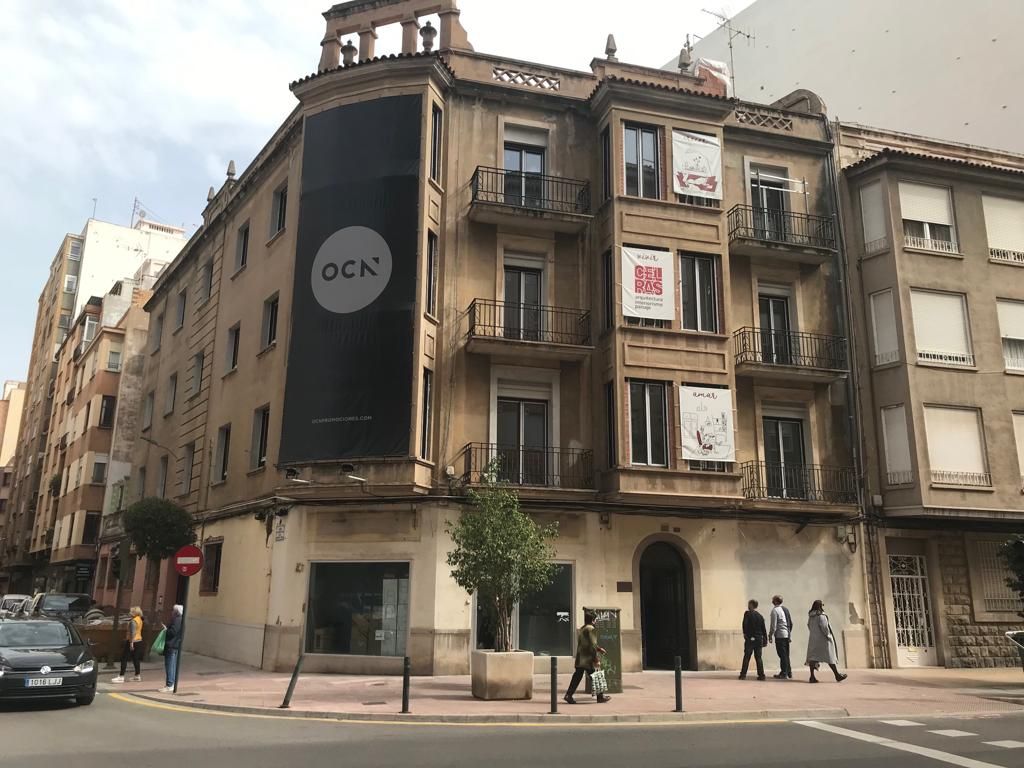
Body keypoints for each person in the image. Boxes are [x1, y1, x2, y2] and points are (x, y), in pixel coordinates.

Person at [564, 609, 611, 704]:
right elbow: (592, 645)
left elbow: (586, 643)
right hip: (588, 659)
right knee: (596, 675)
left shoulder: (583, 628)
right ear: (593, 620)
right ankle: (600, 697)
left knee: (577, 676)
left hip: (580, 658)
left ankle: (568, 695)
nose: (596, 621)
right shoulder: (591, 629)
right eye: (595, 619)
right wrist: (596, 659)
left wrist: (599, 649)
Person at [805, 599, 847, 683]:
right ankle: (837, 675)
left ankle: (812, 676)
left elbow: (809, 625)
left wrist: (814, 633)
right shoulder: (821, 616)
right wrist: (828, 636)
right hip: (823, 640)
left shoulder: (811, 616)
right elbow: (825, 627)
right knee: (830, 657)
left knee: (813, 658)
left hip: (813, 639)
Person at [112, 606, 144, 684]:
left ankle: (121, 676)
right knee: (136, 658)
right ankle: (137, 676)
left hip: (132, 641)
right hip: (139, 640)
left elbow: (133, 633)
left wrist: (131, 643)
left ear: (134, 612)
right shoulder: (139, 619)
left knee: (124, 658)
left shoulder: (133, 621)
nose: (129, 613)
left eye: (131, 611)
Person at [739, 599, 767, 681]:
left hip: (750, 639)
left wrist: (745, 634)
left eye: (749, 604)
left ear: (751, 605)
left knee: (747, 657)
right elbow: (763, 629)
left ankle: (743, 675)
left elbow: (745, 624)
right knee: (758, 657)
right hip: (759, 639)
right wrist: (765, 640)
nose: (748, 605)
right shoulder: (760, 616)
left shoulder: (747, 613)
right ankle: (761, 675)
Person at [769, 595, 794, 679]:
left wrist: (770, 635)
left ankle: (784, 673)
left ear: (775, 601)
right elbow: (791, 623)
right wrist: (788, 633)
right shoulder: (785, 609)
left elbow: (773, 626)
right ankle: (789, 672)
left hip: (780, 636)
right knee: (786, 654)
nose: (772, 601)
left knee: (782, 655)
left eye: (773, 600)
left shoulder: (775, 611)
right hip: (786, 635)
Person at [159, 604, 184, 693]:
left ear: (176, 612)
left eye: (173, 610)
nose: (172, 612)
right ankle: (171, 684)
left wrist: (166, 630)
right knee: (172, 665)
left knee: (170, 665)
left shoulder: (177, 620)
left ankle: (170, 684)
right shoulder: (179, 619)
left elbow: (173, 632)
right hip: (174, 645)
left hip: (172, 645)